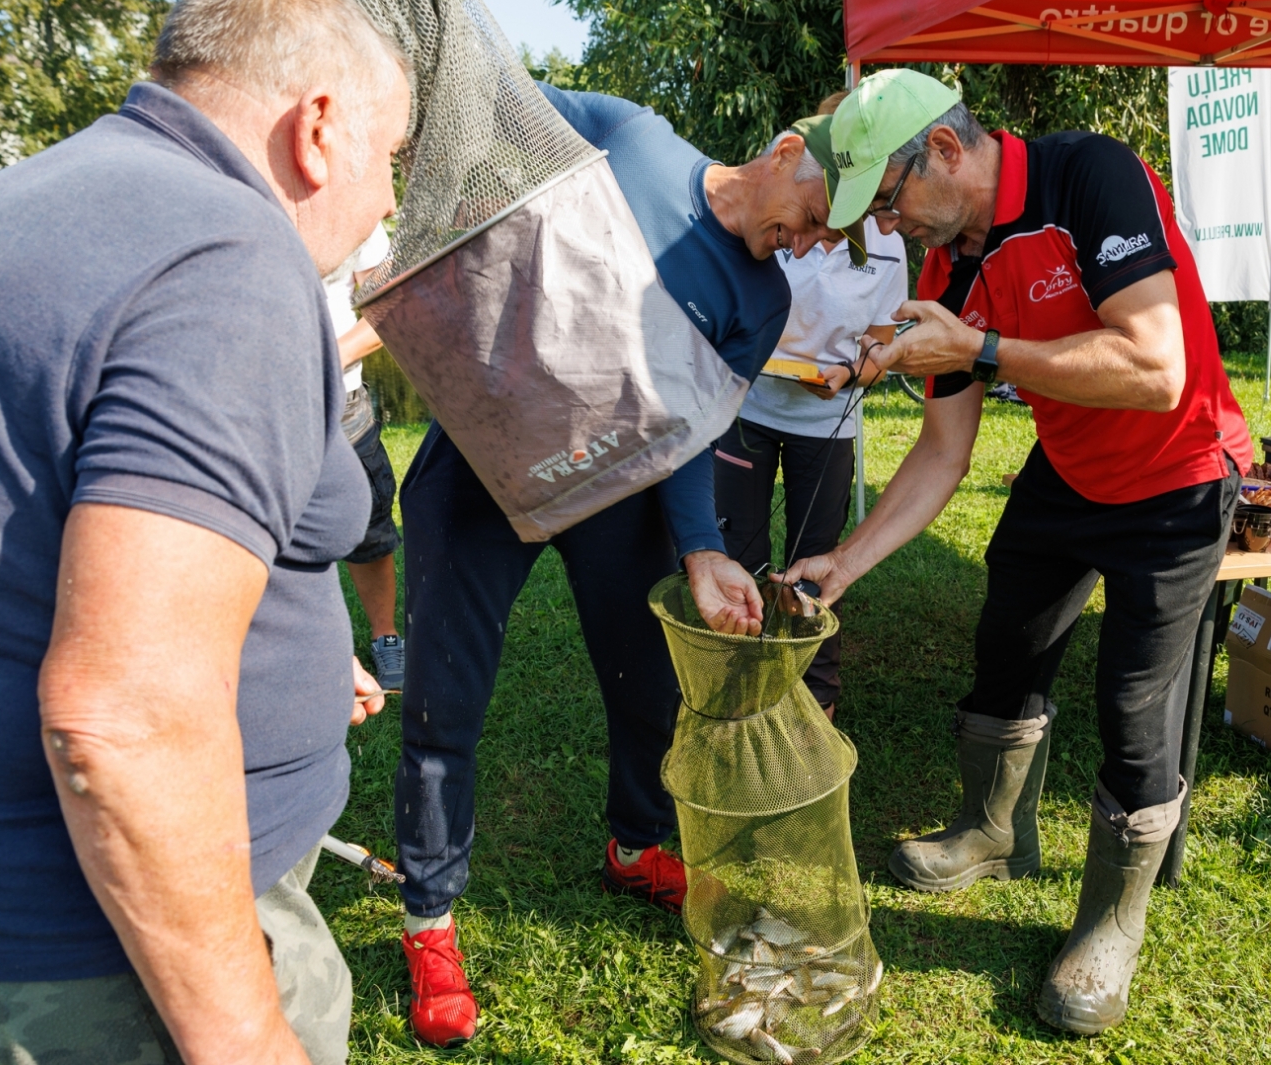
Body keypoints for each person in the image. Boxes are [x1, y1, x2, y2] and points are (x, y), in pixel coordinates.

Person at [0, 0, 410, 1061]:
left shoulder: (36, 194)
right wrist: (245, 1033)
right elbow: (121, 718)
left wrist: (294, 654)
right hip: (107, 957)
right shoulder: (229, 262)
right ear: (321, 126)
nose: (390, 195)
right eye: (391, 155)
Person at [782, 69, 1253, 1036]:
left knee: (1133, 702)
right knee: (1006, 639)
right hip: (1073, 471)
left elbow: (1156, 370)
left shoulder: (1091, 178)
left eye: (892, 199)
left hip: (1180, 471)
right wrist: (845, 562)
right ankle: (994, 830)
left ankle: (1112, 925)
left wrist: (984, 348)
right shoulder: (947, 266)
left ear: (945, 151)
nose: (890, 227)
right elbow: (945, 451)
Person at [391, 83, 841, 1046]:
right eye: (809, 219)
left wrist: (702, 547)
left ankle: (635, 843)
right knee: (444, 696)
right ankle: (429, 915)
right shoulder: (629, 137)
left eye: (824, 238)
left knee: (646, 687)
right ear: (787, 151)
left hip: (616, 492)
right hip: (484, 460)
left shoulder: (763, 297)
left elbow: (690, 427)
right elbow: (489, 93)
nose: (805, 244)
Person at [715, 96, 907, 721]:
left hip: (827, 420)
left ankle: (815, 698)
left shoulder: (888, 240)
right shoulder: (782, 209)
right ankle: (735, 686)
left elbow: (885, 339)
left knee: (812, 565)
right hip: (749, 406)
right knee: (737, 549)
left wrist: (854, 371)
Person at [326, 223, 406, 691]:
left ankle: (385, 635)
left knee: (369, 526)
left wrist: (321, 358)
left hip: (343, 406)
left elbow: (391, 302)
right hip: (253, 405)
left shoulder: (352, 198)